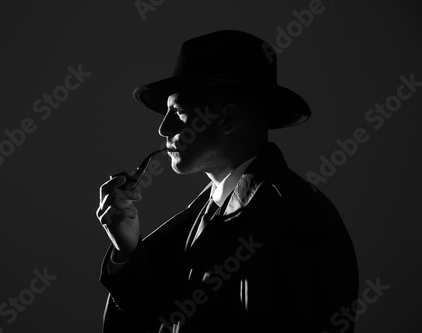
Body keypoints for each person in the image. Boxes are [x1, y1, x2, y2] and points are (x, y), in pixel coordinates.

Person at [96, 30, 359, 333]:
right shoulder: (206, 213)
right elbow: (164, 317)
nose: (163, 129)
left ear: (228, 120)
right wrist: (127, 249)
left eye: (178, 111)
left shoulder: (296, 215)